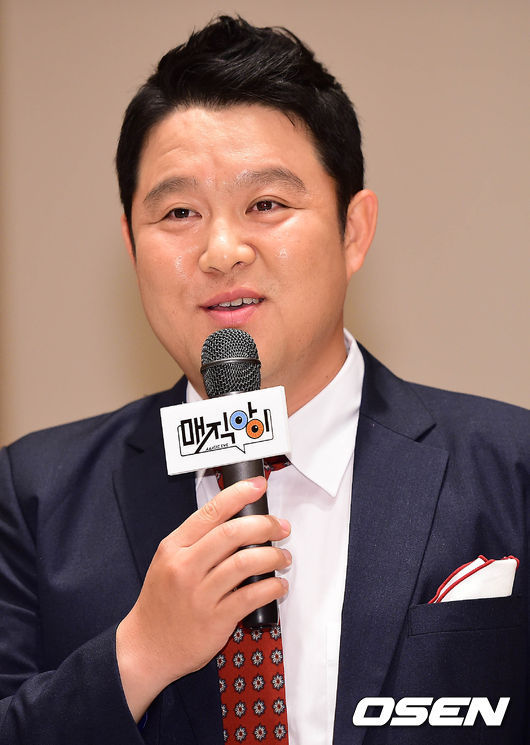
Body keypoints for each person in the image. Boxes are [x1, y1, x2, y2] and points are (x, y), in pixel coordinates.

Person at [0, 15, 527, 745]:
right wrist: (139, 654)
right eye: (179, 212)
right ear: (130, 243)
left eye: (267, 205)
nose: (221, 251)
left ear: (353, 230)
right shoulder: (33, 494)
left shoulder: (511, 466)